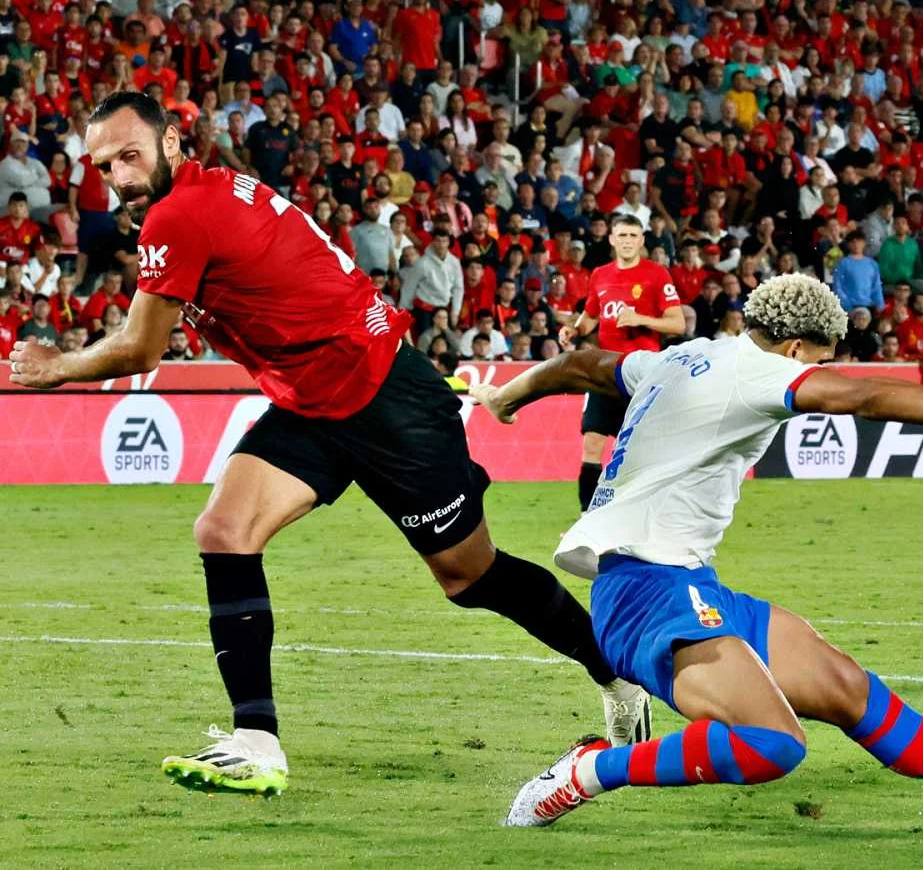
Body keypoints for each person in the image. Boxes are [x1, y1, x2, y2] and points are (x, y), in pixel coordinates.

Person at [4, 92, 650, 798]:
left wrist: (56, 366)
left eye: (131, 156)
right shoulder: (205, 193)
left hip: (384, 398)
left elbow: (141, 348)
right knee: (224, 530)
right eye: (105, 167)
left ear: (173, 143)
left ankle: (616, 672)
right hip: (313, 399)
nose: (120, 177)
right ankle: (256, 743)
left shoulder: (176, 215)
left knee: (471, 577)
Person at [468, 275, 923, 828]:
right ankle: (587, 772)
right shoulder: (761, 373)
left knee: (850, 691)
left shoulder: (684, 356)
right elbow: (865, 397)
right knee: (772, 745)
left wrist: (507, 396)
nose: (818, 372)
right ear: (794, 348)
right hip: (648, 594)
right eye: (818, 359)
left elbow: (582, 364)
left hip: (685, 582)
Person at [557, 213, 686, 510]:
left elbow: (677, 324)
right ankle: (587, 517)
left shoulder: (657, 274)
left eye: (633, 236)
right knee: (592, 441)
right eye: (622, 235)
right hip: (605, 370)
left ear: (641, 240)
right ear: (612, 239)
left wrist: (640, 319)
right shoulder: (600, 274)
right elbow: (590, 316)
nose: (627, 241)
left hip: (642, 373)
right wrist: (574, 330)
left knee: (639, 449)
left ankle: (643, 512)